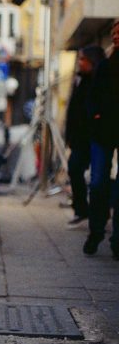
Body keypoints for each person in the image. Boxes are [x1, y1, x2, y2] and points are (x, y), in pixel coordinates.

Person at [83, 19, 119, 258]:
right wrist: (95, 116)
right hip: (102, 132)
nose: (115, 36)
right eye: (114, 32)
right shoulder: (106, 65)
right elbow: (92, 96)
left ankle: (117, 239)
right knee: (97, 183)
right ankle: (96, 231)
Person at [65, 46, 105, 226]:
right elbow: (73, 110)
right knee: (75, 169)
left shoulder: (98, 81)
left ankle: (99, 215)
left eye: (83, 59)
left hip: (95, 138)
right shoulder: (79, 80)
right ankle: (82, 209)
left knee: (98, 178)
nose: (80, 63)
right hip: (79, 139)